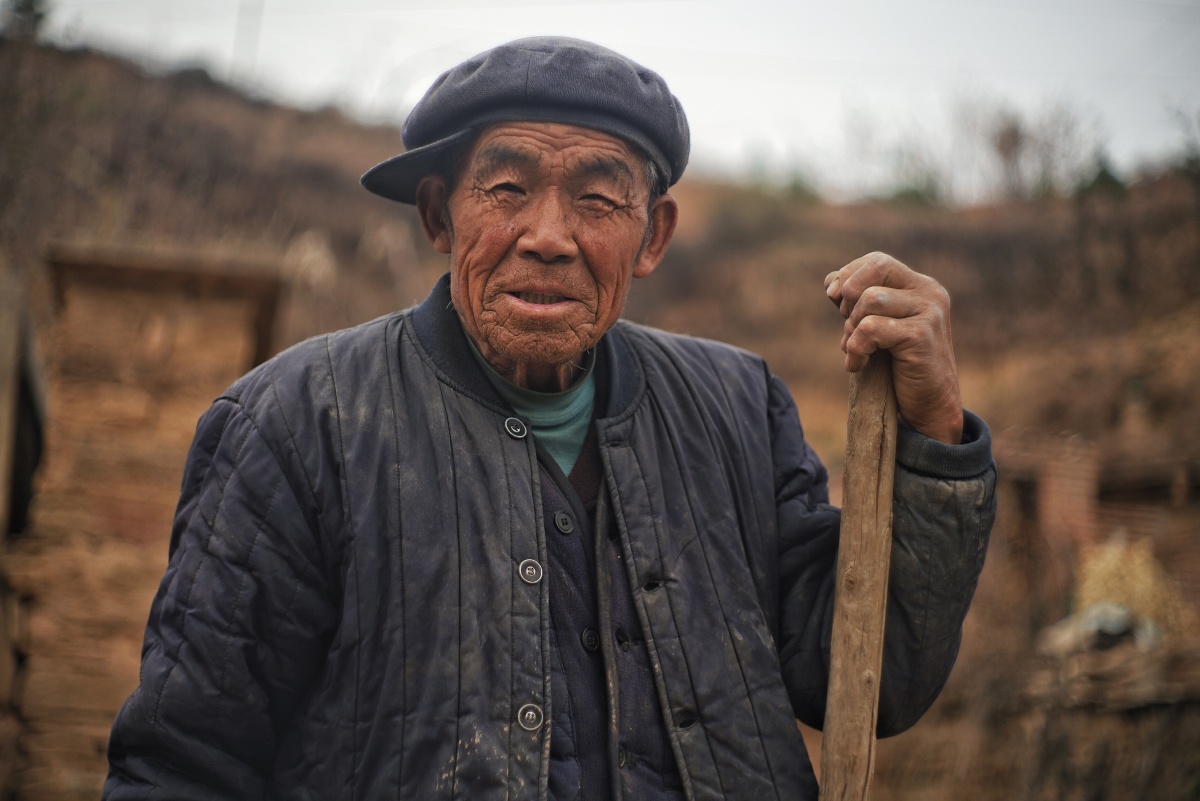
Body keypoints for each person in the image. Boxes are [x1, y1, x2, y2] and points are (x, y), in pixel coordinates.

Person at [103, 36, 995, 800]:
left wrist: (935, 433)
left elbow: (866, 680)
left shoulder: (736, 408)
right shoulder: (297, 424)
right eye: (506, 188)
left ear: (652, 237)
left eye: (599, 199)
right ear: (437, 214)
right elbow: (185, 760)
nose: (549, 235)